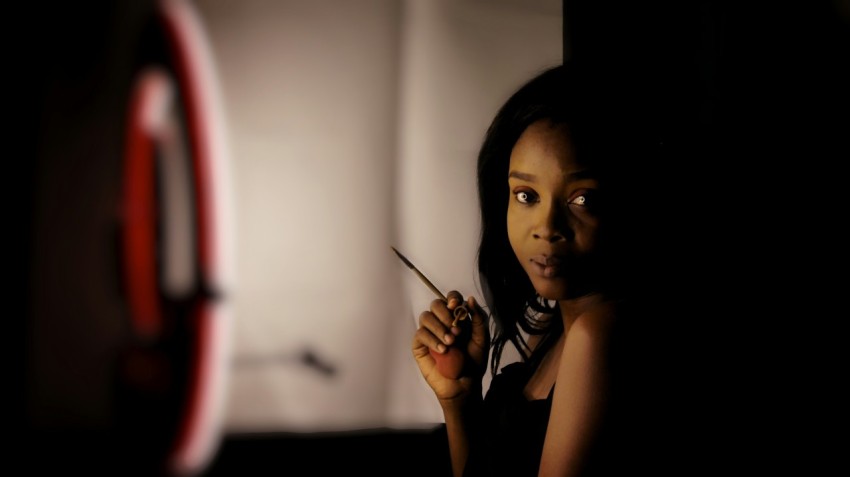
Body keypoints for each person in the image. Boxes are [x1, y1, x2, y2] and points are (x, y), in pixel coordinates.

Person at [411, 62, 659, 477]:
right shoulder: (556, 332)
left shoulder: (599, 335)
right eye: (526, 195)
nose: (546, 229)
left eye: (582, 200)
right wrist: (460, 401)